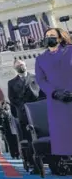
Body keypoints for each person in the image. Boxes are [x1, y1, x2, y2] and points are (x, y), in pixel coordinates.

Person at [35, 27, 72, 156]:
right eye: (47, 35)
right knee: (64, 135)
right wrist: (54, 93)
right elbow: (41, 80)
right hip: (56, 101)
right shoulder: (40, 59)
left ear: (60, 38)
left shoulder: (70, 50)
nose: (49, 37)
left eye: (52, 35)